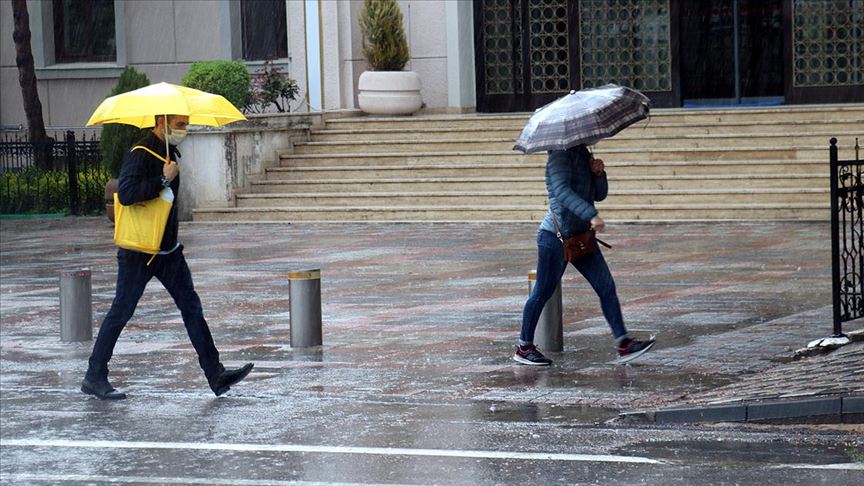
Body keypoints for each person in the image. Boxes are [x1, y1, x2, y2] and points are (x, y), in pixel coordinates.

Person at [81, 114, 253, 399]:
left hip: (168, 250)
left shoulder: (170, 152)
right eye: (179, 124)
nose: (183, 129)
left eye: (185, 124)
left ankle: (216, 374)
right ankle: (94, 375)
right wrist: (163, 178)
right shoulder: (140, 153)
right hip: (139, 252)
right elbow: (125, 193)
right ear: (161, 123)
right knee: (121, 312)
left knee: (192, 308)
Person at [514, 144, 655, 366]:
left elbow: (599, 195)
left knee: (606, 286)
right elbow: (562, 192)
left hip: (581, 238)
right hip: (556, 238)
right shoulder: (559, 157)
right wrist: (591, 215)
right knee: (543, 290)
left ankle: (624, 344)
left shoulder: (582, 153)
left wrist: (599, 174)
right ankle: (524, 347)